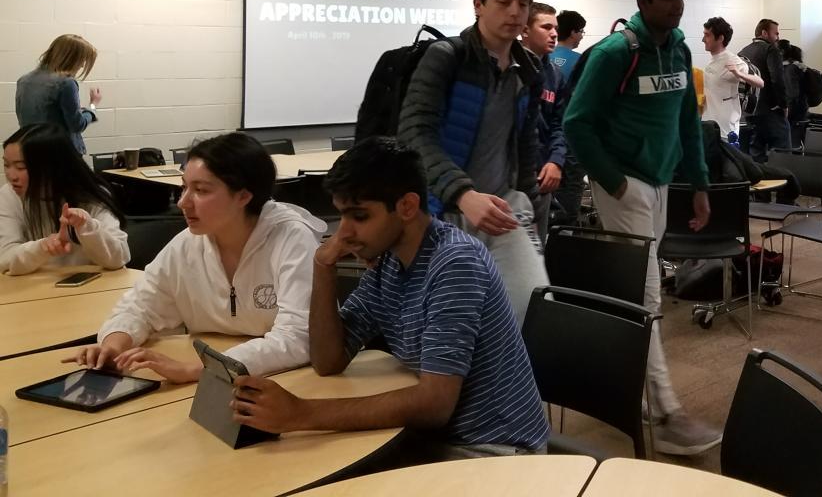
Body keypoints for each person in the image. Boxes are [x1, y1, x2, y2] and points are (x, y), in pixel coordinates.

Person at [230, 137, 549, 458]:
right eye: (342, 216)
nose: (345, 232)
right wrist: (322, 265)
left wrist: (301, 414)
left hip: (495, 448)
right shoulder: (390, 262)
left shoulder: (455, 262)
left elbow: (435, 405)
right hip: (433, 438)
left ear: (407, 207)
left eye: (359, 216)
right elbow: (328, 361)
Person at [563, 0, 720, 456]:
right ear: (643, 1)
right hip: (624, 185)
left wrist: (699, 183)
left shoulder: (680, 49)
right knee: (649, 296)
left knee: (635, 293)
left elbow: (688, 122)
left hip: (661, 182)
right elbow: (576, 123)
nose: (678, 4)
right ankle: (668, 412)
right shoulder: (615, 53)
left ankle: (635, 390)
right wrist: (612, 182)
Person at [66, 132, 324, 382]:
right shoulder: (188, 244)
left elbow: (298, 338)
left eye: (200, 190)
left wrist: (201, 368)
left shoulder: (291, 239)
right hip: (215, 379)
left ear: (244, 196)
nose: (183, 202)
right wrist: (113, 345)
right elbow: (140, 306)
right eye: (184, 188)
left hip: (283, 380)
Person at [397, 0, 548, 328]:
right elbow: (414, 133)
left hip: (504, 210)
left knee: (533, 312)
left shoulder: (529, 70)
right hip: (444, 212)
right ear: (478, 4)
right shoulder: (447, 57)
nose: (515, 12)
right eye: (504, 1)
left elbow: (525, 145)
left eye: (523, 3)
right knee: (455, 325)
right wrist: (463, 194)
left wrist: (530, 203)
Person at [0, 123, 129, 275]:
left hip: (95, 286)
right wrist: (42, 247)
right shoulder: (9, 195)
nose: (11, 176)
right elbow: (4, 259)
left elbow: (119, 258)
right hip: (35, 286)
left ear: (50, 167)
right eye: (6, 165)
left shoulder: (89, 195)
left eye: (21, 167)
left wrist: (87, 227)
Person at [522, 2, 566, 244]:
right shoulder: (510, 68)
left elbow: (560, 123)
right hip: (509, 178)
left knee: (536, 249)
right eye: (546, 27)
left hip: (542, 178)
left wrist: (556, 161)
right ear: (525, 30)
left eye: (555, 28)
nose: (554, 33)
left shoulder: (555, 75)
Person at [15, 34, 102, 154]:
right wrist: (92, 107)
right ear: (72, 58)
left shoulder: (24, 80)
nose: (82, 65)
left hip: (31, 151)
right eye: (82, 60)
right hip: (61, 153)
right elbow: (77, 125)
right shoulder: (66, 83)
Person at [739, 18, 796, 161]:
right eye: (776, 33)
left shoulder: (742, 52)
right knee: (783, 155)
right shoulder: (771, 49)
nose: (778, 37)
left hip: (750, 113)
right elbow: (777, 79)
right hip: (771, 111)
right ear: (764, 33)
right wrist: (783, 105)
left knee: (756, 155)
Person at [701, 16, 762, 144]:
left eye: (707, 35)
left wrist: (739, 73)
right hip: (709, 126)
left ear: (720, 38)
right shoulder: (713, 60)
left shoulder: (732, 60)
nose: (703, 39)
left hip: (725, 131)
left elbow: (760, 83)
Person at [782, 44, 812, 149]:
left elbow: (792, 94)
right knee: (796, 142)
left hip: (794, 112)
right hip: (801, 110)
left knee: (792, 144)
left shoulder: (790, 69)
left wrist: (786, 111)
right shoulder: (800, 68)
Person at [548, 10, 586, 78]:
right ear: (573, 32)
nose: (582, 36)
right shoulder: (581, 60)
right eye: (581, 31)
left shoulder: (543, 56)